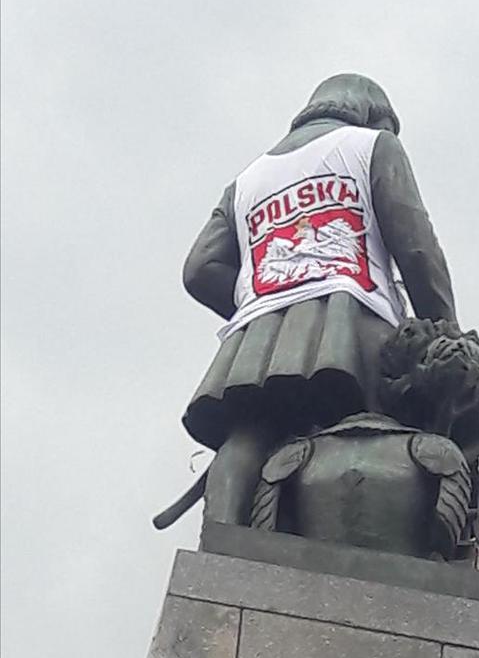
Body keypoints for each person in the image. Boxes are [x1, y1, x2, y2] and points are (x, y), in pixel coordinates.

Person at [182, 73, 458, 526]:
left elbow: (198, 270)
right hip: (358, 314)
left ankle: (221, 539)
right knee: (374, 433)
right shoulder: (372, 146)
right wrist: (443, 331)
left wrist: (265, 293)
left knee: (249, 430)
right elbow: (416, 247)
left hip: (258, 332)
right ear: (374, 115)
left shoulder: (247, 180)